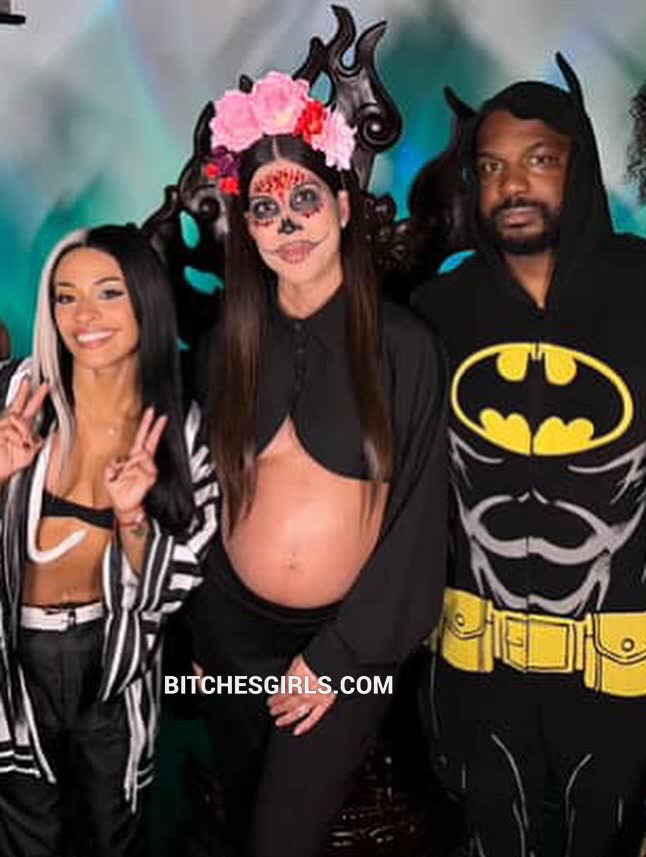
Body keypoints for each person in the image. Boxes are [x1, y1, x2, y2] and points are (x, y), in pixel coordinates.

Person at [188, 70, 448, 857]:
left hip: (348, 643)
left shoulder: (405, 347)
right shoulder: (223, 347)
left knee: (279, 838)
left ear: (341, 206)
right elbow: (204, 498)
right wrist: (199, 627)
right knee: (241, 823)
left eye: (304, 199)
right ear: (248, 228)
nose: (288, 224)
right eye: (265, 210)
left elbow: (418, 526)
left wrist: (337, 658)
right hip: (230, 638)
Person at [412, 53, 646, 857]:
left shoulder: (642, 288)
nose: (512, 184)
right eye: (491, 167)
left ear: (579, 167)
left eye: (538, 160)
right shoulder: (437, 311)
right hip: (478, 672)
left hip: (621, 672)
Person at [0, 224, 218, 857]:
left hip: (115, 662)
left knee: (113, 832)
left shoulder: (182, 432)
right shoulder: (17, 395)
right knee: (25, 832)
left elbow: (171, 588)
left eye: (107, 293)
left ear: (146, 300)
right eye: (65, 297)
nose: (84, 316)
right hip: (16, 659)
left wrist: (131, 517)